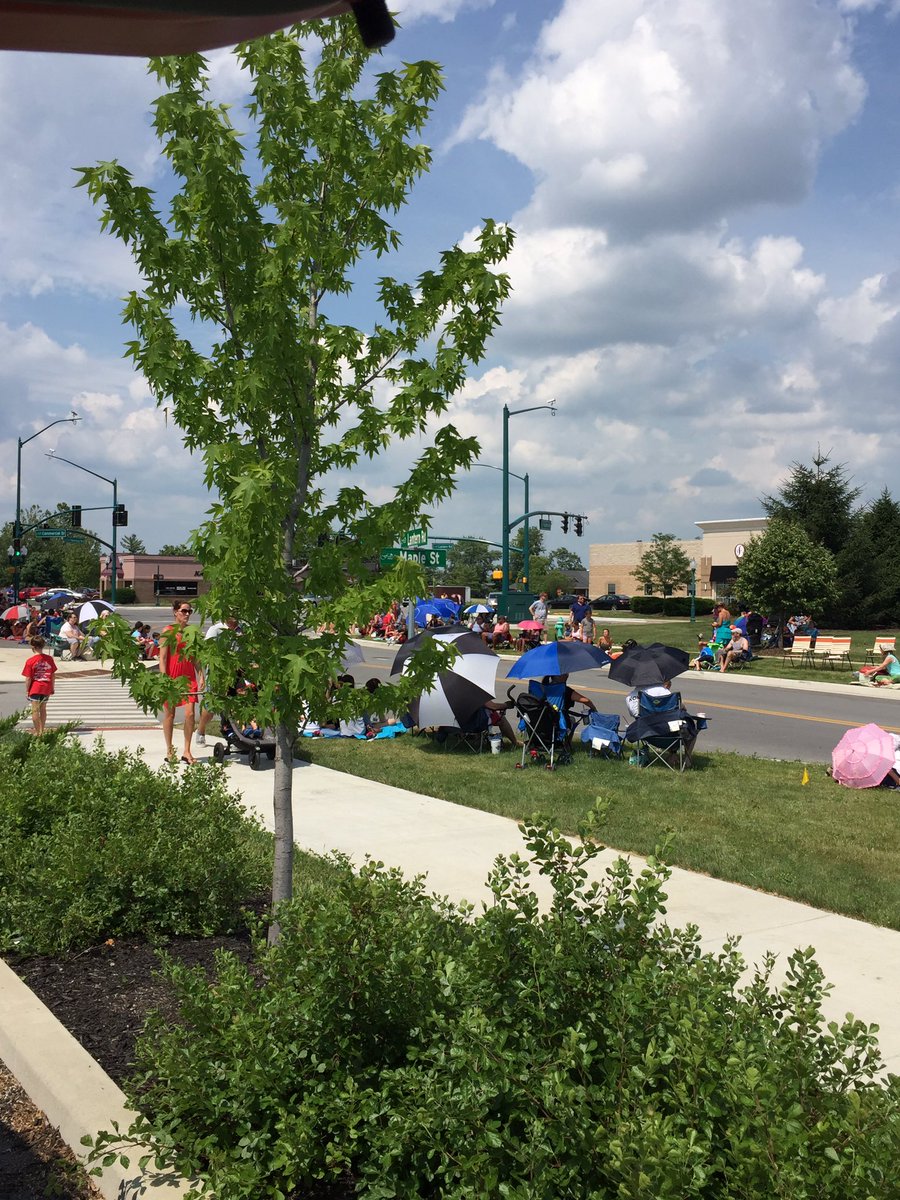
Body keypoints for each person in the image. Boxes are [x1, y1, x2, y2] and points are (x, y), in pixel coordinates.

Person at [159, 601, 204, 764]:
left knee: (190, 714)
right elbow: (162, 658)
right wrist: (164, 679)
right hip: (171, 677)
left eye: (189, 611)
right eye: (184, 611)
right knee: (169, 715)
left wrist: (201, 675)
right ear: (175, 612)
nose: (186, 614)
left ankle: (187, 750)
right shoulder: (167, 632)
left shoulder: (192, 632)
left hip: (188, 677)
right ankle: (169, 749)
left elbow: (195, 657)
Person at [197, 614, 241, 745]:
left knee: (237, 704)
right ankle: (201, 730)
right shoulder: (215, 630)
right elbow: (207, 653)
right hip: (218, 673)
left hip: (237, 673)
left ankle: (234, 735)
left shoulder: (243, 630)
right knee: (211, 707)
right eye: (231, 612)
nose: (234, 615)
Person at [21, 635, 57, 735]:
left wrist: (27, 690)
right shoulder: (49, 659)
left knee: (35, 710)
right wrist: (52, 688)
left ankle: (38, 732)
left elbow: (28, 678)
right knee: (43, 709)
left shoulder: (30, 661)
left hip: (35, 687)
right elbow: (53, 675)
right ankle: (42, 729)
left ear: (32, 646)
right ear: (43, 645)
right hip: (46, 687)